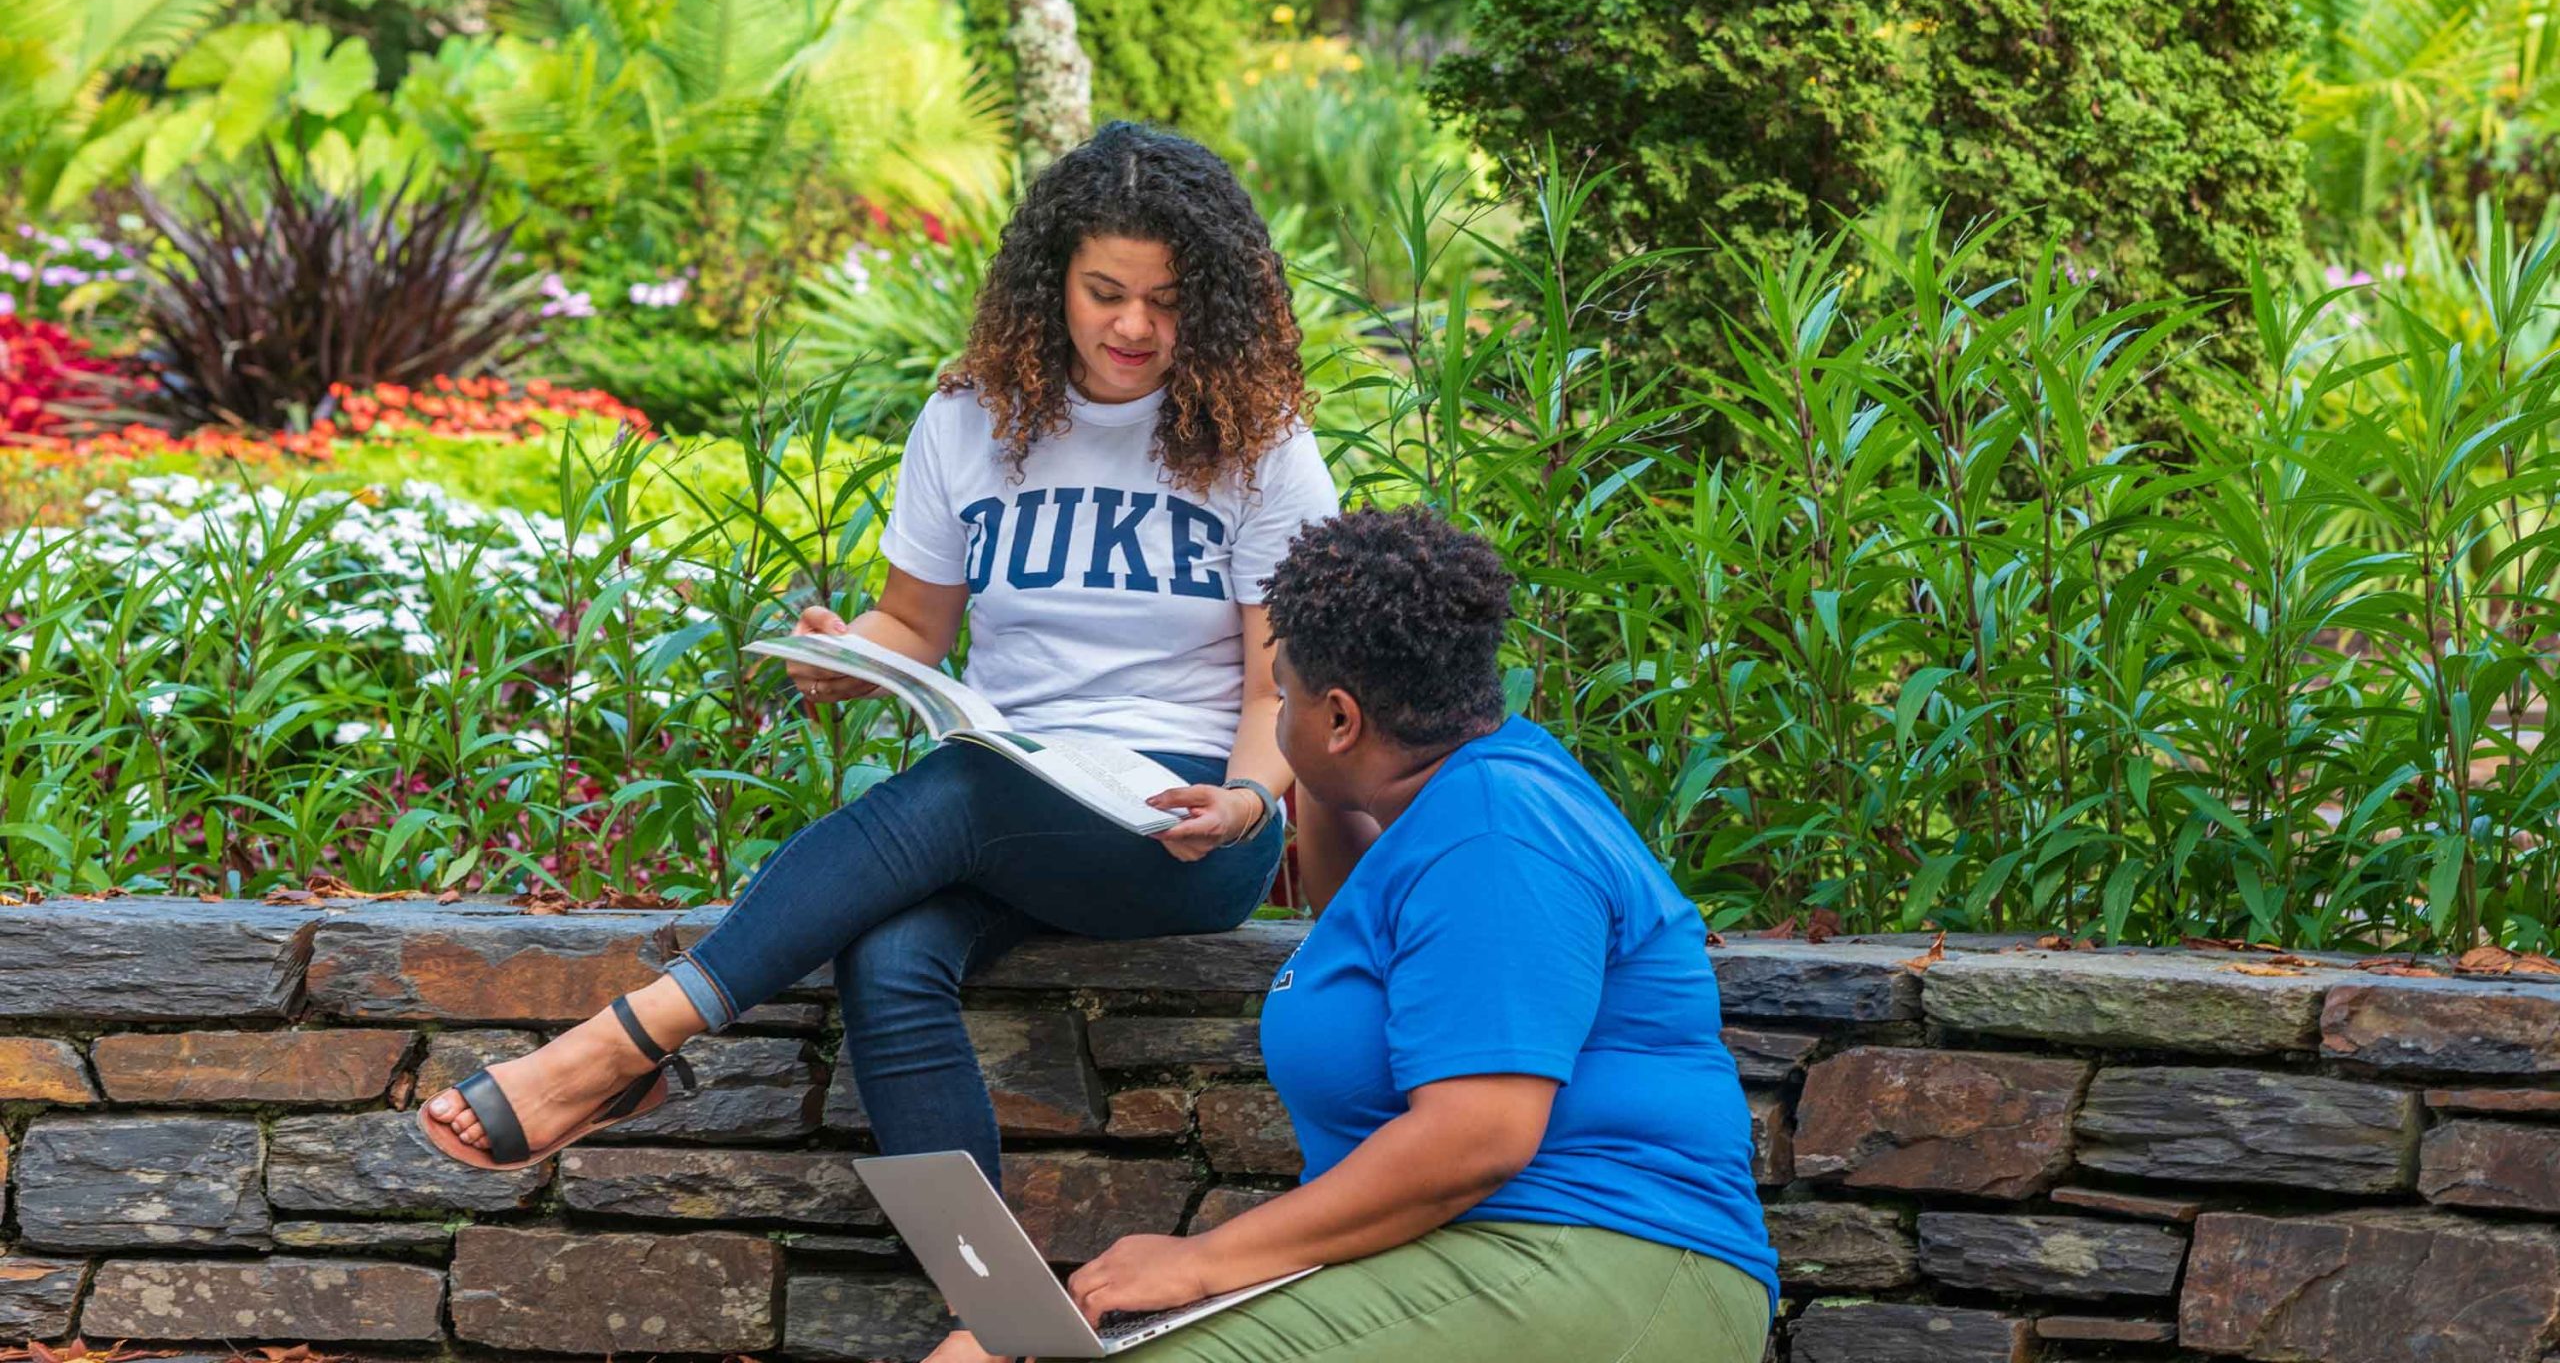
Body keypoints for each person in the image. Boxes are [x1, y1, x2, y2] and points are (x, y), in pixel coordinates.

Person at [420, 121, 1345, 1184]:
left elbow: (1283, 684)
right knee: (891, 955)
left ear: (1216, 301)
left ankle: (620, 1045)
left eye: (1169, 301)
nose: (1133, 325)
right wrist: (851, 652)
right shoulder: (971, 420)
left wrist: (1242, 802)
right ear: (1053, 280)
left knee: (966, 784)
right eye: (1105, 292)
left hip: (1184, 825)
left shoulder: (1261, 447)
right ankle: (986, 1315)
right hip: (1013, 799)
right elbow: (915, 625)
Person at [929, 506, 1777, 1363]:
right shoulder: (1444, 806)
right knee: (996, 1350)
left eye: (1281, 693)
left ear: (1340, 717)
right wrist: (1324, 776)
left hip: (1607, 1258)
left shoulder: (1495, 832)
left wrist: (1202, 1264)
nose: (1270, 715)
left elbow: (1478, 1135)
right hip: (1471, 1253)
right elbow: (1364, 925)